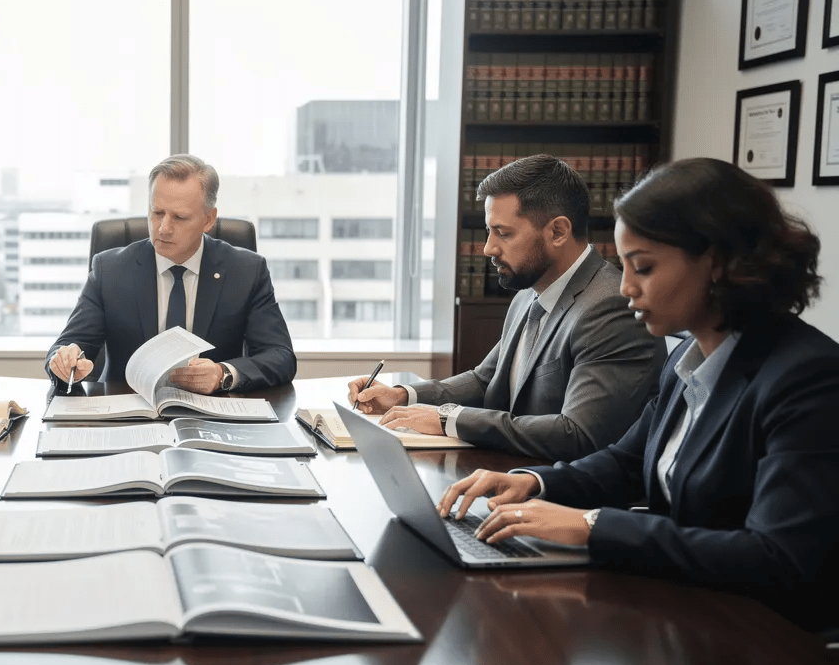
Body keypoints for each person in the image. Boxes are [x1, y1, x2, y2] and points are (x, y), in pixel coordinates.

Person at [439, 158, 839, 634]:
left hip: (766, 640)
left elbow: (774, 558)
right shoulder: (688, 355)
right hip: (685, 610)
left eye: (643, 267)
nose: (625, 287)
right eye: (625, 265)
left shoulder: (807, 378)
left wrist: (591, 526)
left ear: (717, 263)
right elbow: (626, 464)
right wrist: (534, 483)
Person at [348, 154, 664, 461]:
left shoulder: (612, 308)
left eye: (504, 233)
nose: (488, 248)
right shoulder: (530, 292)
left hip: (568, 499)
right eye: (489, 231)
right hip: (515, 471)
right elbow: (487, 379)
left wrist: (448, 419)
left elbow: (577, 434)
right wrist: (403, 395)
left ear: (557, 231)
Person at [47, 154, 296, 393]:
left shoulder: (245, 271)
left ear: (208, 219)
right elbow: (68, 345)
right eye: (157, 213)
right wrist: (66, 363)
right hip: (126, 414)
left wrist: (224, 374)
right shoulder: (109, 270)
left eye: (179, 217)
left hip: (212, 416)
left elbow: (280, 356)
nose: (163, 228)